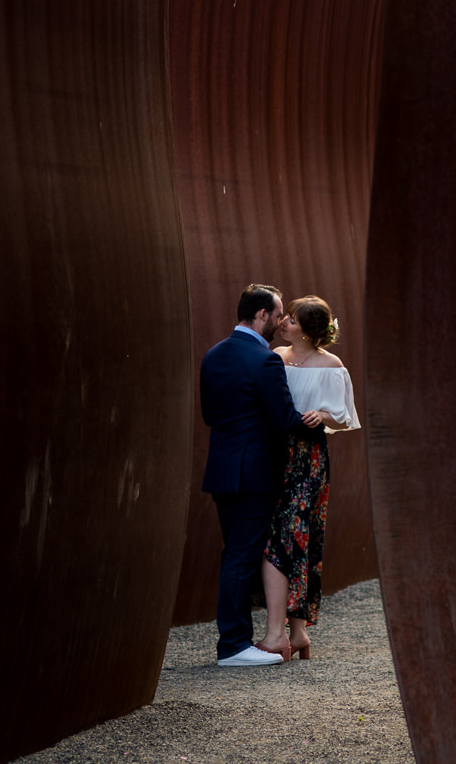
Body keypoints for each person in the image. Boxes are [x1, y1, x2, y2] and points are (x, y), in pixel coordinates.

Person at [199, 283, 324, 667]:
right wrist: (318, 422)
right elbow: (285, 419)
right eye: (277, 313)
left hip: (221, 471)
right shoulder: (265, 359)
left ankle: (236, 641)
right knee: (242, 557)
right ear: (261, 316)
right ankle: (234, 646)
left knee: (233, 555)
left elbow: (209, 416)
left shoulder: (213, 355)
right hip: (254, 476)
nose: (280, 320)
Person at [256, 294, 359, 661]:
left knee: (296, 532)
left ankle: (287, 633)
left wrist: (323, 416)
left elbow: (344, 416)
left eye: (292, 321)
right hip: (276, 455)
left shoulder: (331, 365)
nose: (283, 323)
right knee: (288, 534)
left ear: (308, 330)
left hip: (309, 459)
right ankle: (293, 632)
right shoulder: (276, 358)